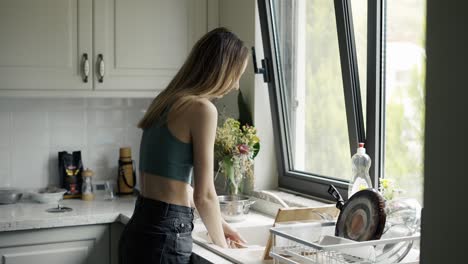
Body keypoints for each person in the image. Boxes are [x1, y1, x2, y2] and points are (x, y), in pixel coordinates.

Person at [119, 27, 250, 264]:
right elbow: (205, 196)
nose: (236, 85)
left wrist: (223, 225)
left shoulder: (164, 102)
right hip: (165, 238)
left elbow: (179, 187)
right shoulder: (202, 109)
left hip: (139, 230)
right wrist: (224, 248)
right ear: (221, 70)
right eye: (236, 74)